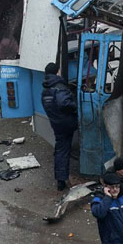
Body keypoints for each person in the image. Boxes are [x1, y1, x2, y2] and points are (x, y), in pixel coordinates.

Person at [40, 63, 78, 191]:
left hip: (56, 124)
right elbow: (64, 103)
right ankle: (61, 180)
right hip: (66, 123)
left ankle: (60, 179)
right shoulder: (59, 87)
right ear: (57, 72)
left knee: (60, 150)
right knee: (63, 151)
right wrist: (75, 107)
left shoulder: (45, 90)